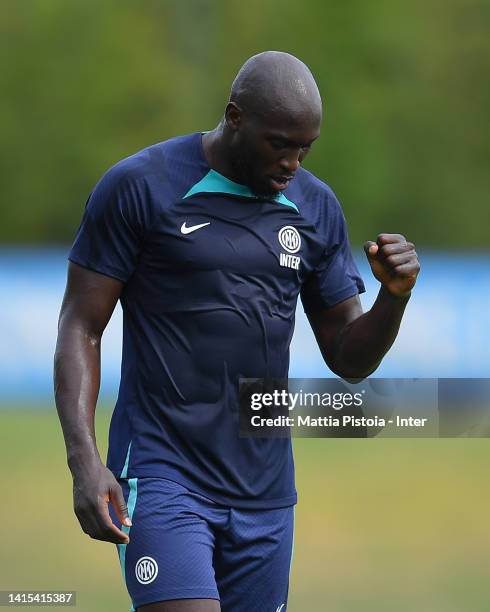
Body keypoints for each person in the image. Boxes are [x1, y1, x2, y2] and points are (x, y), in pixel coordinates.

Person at [54, 51, 420, 612]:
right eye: (280, 143)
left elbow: (349, 357)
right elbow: (82, 323)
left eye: (306, 147)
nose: (293, 162)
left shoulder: (315, 207)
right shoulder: (140, 187)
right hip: (162, 474)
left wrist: (393, 299)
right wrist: (85, 459)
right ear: (235, 117)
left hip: (267, 494)